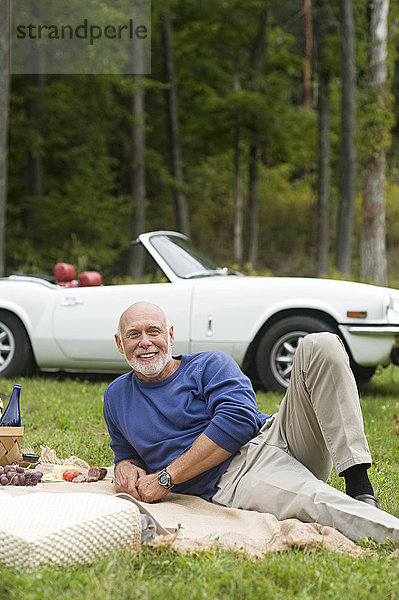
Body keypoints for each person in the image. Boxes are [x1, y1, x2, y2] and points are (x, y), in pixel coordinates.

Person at [103, 301, 399, 542]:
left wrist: (166, 478)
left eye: (153, 331)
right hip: (236, 475)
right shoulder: (116, 397)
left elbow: (239, 421)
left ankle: (360, 485)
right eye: (133, 334)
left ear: (170, 334)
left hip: (276, 435)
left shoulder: (210, 364)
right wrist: (125, 465)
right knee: (320, 502)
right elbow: (126, 453)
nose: (145, 342)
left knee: (320, 344)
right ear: (120, 343)